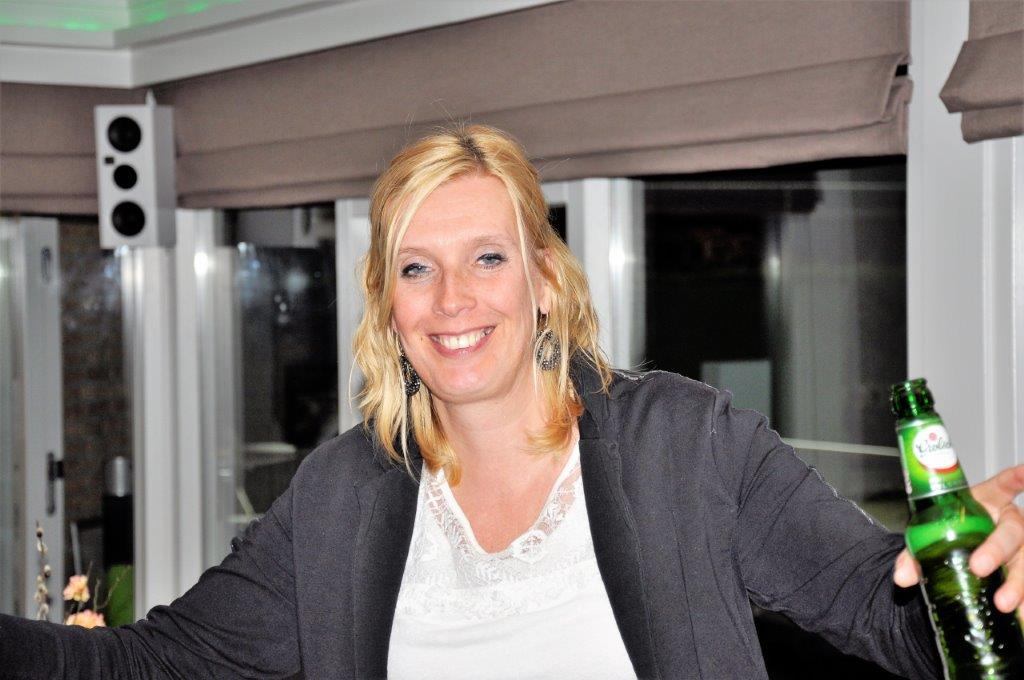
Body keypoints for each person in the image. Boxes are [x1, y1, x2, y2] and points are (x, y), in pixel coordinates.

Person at [3, 124, 1024, 679]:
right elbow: (154, 662)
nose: (452, 299)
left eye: (486, 257)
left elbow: (887, 616)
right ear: (386, 302)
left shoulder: (686, 444)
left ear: (541, 277)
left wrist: (978, 574)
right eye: (416, 268)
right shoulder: (340, 496)